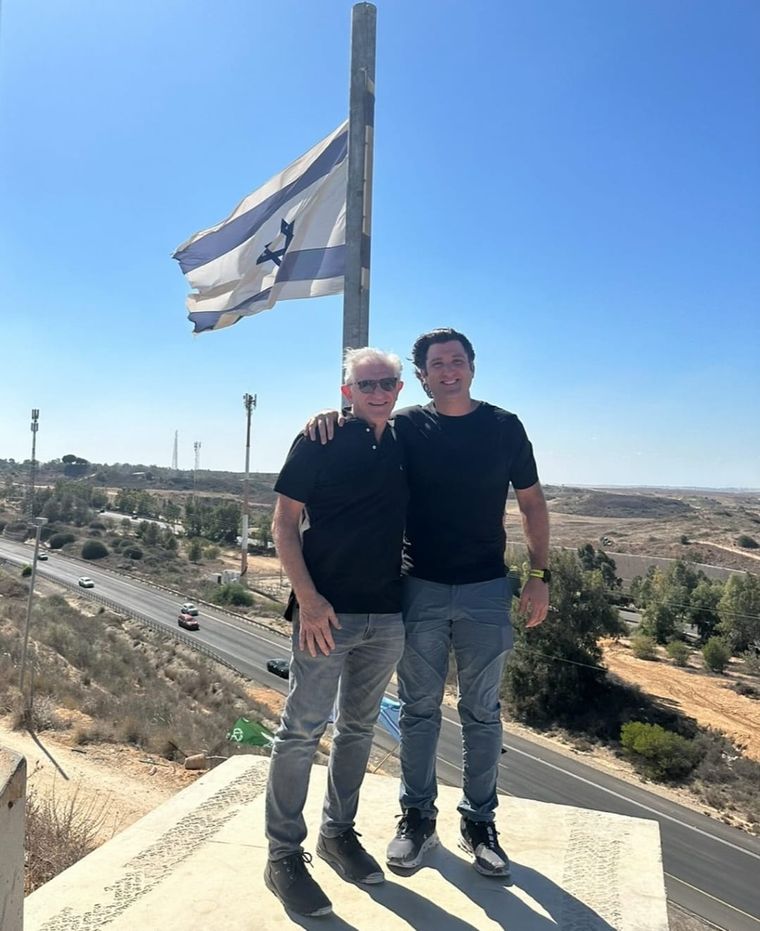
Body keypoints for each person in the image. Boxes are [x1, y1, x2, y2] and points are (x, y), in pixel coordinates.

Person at [309, 327, 550, 880]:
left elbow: (533, 504)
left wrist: (539, 575)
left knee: (482, 713)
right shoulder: (406, 425)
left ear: (472, 366)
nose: (448, 371)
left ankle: (480, 824)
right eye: (437, 364)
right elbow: (361, 418)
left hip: (488, 590)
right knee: (417, 712)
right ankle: (416, 819)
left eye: (457, 361)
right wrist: (326, 416)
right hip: (417, 587)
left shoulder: (504, 427)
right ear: (420, 376)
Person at [264, 347, 408, 918]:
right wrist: (308, 599)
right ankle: (282, 857)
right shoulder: (318, 439)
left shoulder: (405, 442)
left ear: (400, 389)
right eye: (365, 383)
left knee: (359, 731)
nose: (378, 390)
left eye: (387, 382)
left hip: (387, 615)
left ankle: (338, 835)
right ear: (347, 391)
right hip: (326, 614)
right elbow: (283, 523)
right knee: (300, 731)